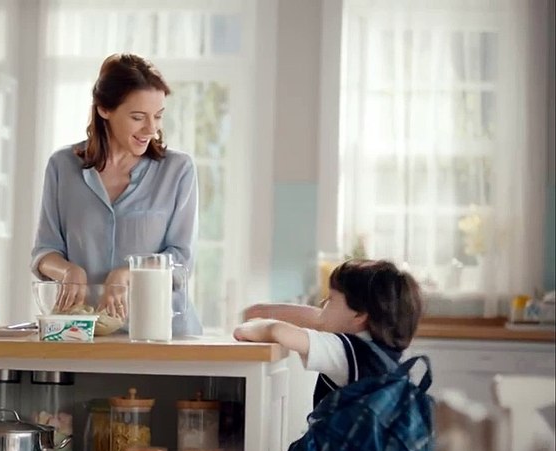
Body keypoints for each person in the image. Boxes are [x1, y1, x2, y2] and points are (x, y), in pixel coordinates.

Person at [31, 53, 201, 336]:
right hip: (82, 334)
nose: (151, 129)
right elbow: (45, 251)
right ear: (104, 109)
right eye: (138, 117)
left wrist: (129, 273)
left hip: (162, 335)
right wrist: (68, 271)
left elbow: (181, 258)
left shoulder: (178, 170)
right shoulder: (62, 166)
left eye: (158, 116)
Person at [234, 258, 423, 407]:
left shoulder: (346, 351)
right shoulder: (384, 353)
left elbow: (278, 331)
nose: (322, 303)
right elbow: (319, 319)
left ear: (359, 314)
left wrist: (246, 328)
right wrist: (258, 312)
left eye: (330, 299)